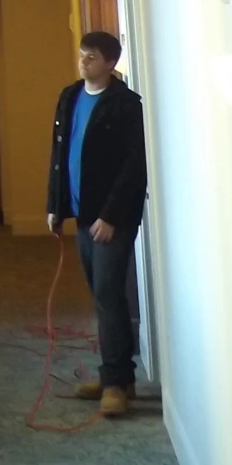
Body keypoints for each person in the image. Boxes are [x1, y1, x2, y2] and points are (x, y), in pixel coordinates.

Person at [46, 29, 147, 418]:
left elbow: (133, 168)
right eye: (81, 55)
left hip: (110, 220)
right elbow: (59, 153)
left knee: (108, 296)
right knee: (100, 295)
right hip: (81, 212)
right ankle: (117, 378)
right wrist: (55, 205)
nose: (83, 61)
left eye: (91, 57)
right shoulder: (70, 97)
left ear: (109, 63)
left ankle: (116, 382)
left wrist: (110, 217)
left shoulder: (124, 105)